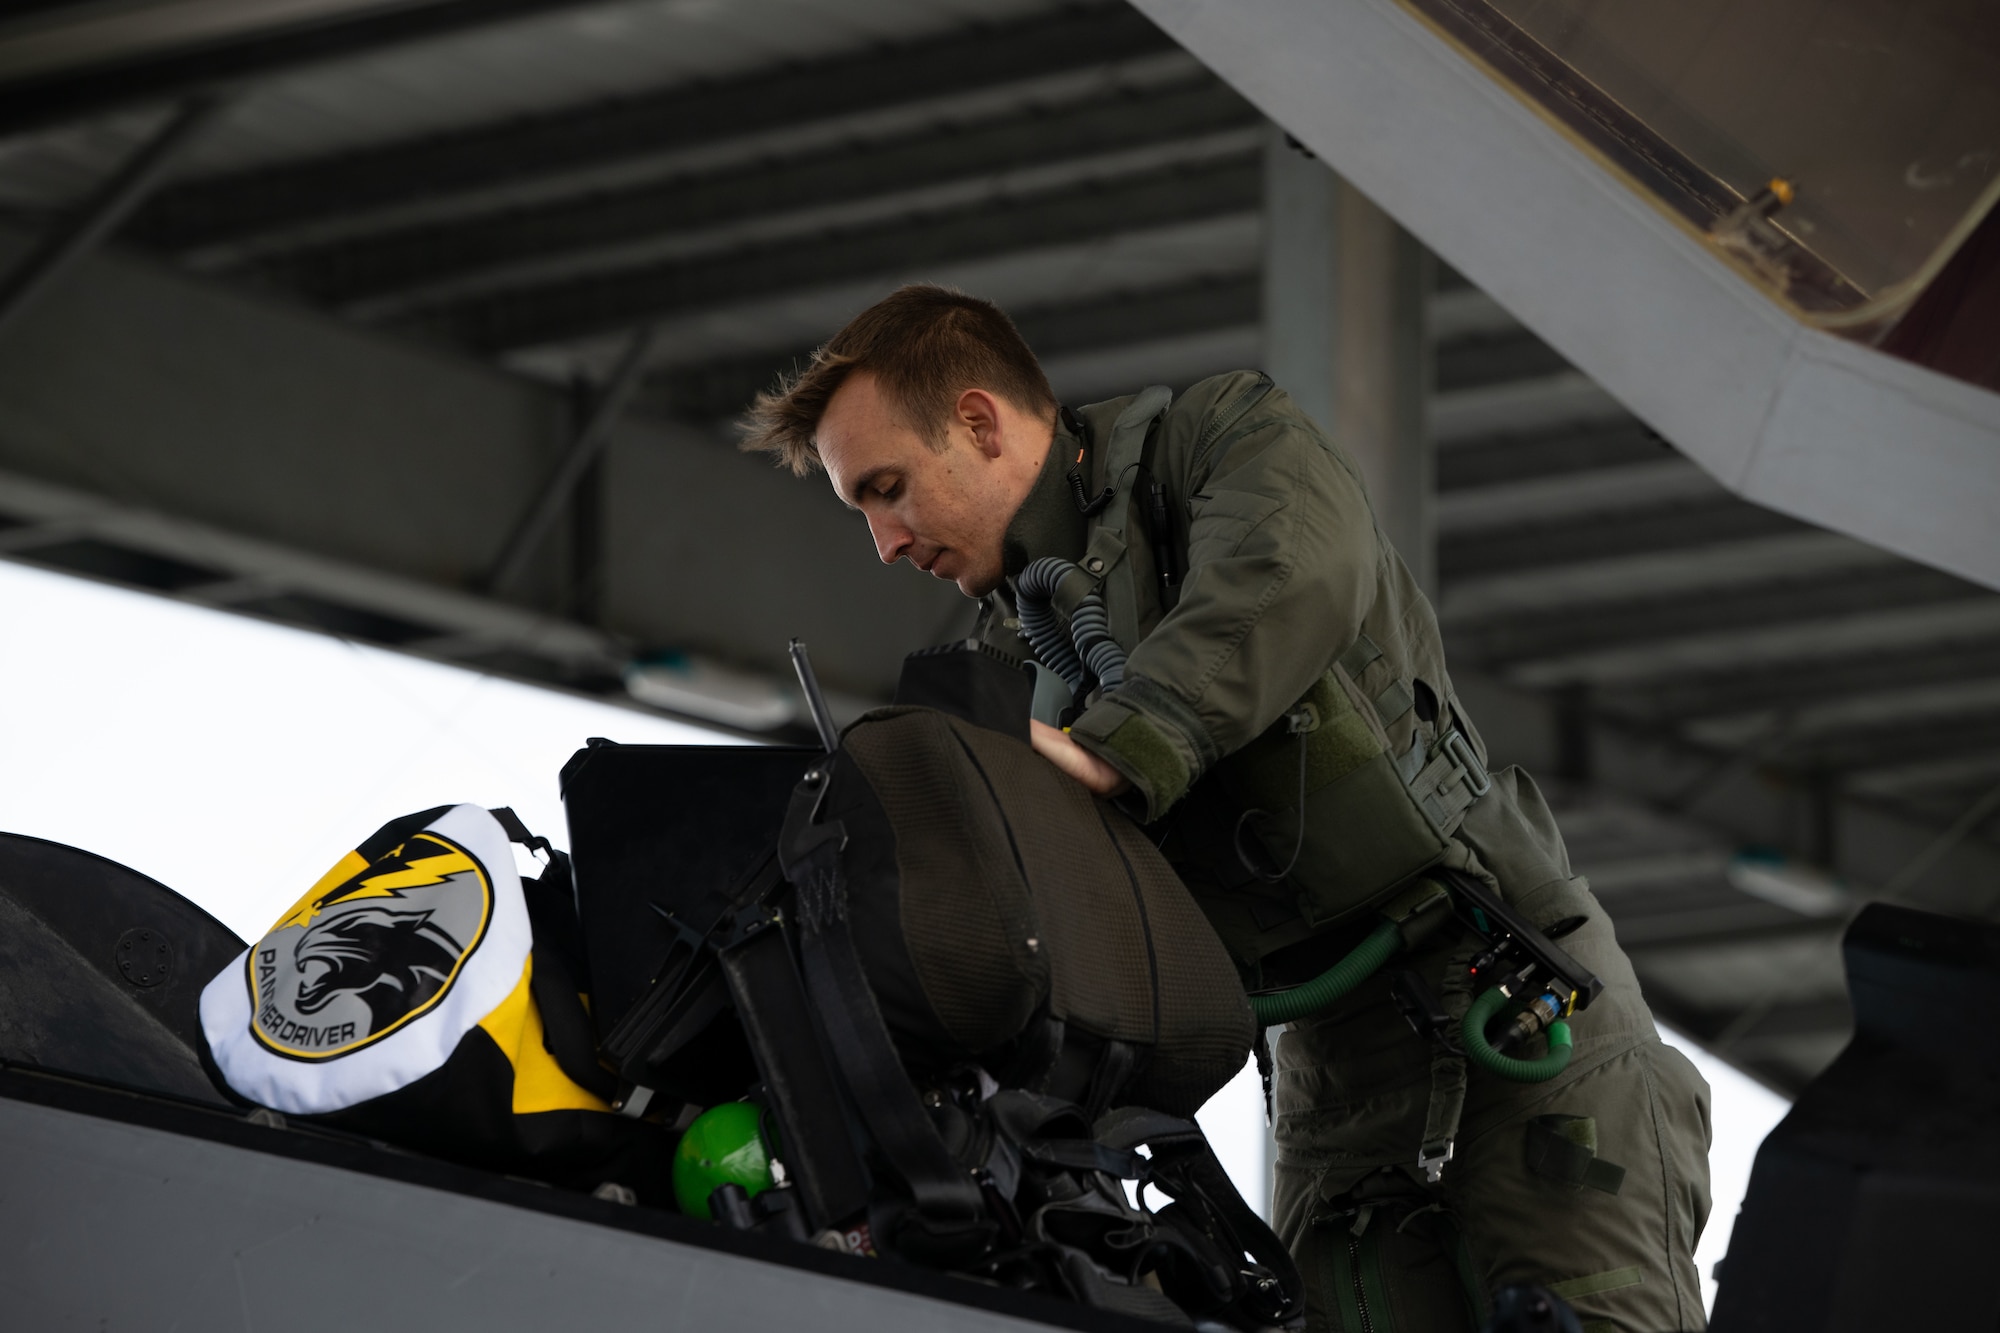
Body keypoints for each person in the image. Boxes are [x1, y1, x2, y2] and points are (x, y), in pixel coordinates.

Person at [742, 283, 1711, 1333]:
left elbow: (1286, 568)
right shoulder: (1002, 668)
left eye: (887, 489)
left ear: (976, 422)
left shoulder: (1215, 442)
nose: (883, 543)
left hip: (1516, 1013)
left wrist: (1117, 750)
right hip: (1329, 1091)